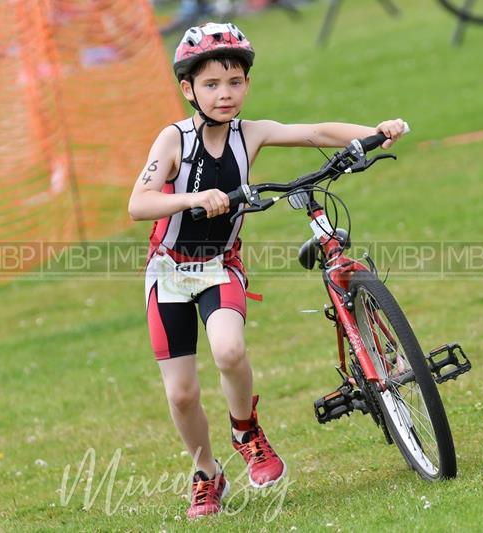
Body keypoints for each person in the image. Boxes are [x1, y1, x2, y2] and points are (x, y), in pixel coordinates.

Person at [127, 22, 406, 519]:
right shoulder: (173, 140)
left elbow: (315, 132)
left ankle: (246, 431)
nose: (225, 94)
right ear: (188, 89)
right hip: (168, 273)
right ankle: (207, 474)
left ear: (247, 85)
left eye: (235, 83)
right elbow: (138, 203)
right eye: (211, 85)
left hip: (219, 268)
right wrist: (195, 198)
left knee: (230, 350)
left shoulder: (250, 135)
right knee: (182, 393)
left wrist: (374, 133)